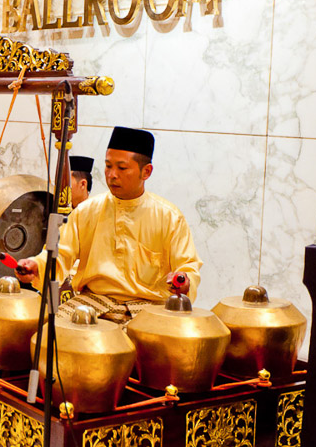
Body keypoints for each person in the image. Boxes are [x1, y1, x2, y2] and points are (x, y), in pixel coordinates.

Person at [16, 126, 202, 322]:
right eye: (108, 166)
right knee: (51, 337)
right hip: (91, 302)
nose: (112, 174)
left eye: (122, 168)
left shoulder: (169, 217)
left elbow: (187, 267)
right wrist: (36, 265)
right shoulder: (87, 211)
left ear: (146, 172)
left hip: (149, 308)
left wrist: (184, 281)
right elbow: (60, 254)